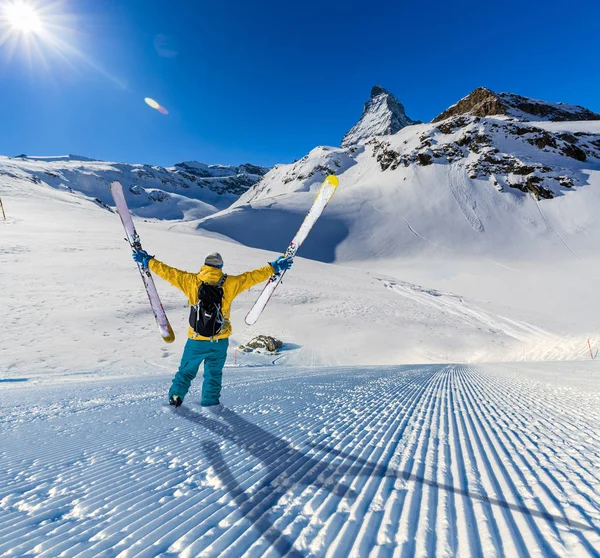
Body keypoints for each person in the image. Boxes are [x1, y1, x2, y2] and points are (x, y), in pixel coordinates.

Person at [132, 249, 293, 407]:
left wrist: (148, 261)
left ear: (204, 265)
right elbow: (252, 277)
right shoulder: (230, 283)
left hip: (196, 340)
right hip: (219, 340)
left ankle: (175, 397)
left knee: (186, 372)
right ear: (220, 267)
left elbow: (168, 272)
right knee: (213, 375)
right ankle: (210, 403)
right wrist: (274, 267)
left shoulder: (190, 280)